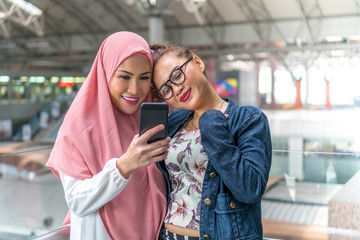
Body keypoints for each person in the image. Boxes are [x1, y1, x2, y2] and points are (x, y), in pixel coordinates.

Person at [46, 31, 171, 240]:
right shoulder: (78, 126)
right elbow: (77, 201)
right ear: (105, 72)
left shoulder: (147, 117)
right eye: (124, 76)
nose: (134, 89)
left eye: (144, 78)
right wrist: (123, 167)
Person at [150, 43, 272, 240]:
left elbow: (251, 189)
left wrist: (212, 124)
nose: (177, 89)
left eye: (177, 75)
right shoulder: (173, 123)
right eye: (166, 89)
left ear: (197, 62)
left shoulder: (248, 119)